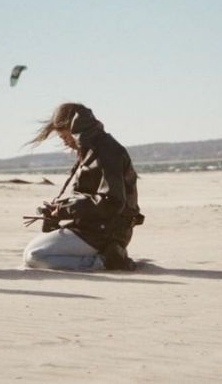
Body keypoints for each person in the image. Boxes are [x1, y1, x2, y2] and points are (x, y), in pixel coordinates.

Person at [23, 103, 144, 271]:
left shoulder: (107, 151)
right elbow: (90, 196)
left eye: (63, 135)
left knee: (35, 256)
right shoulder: (94, 149)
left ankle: (105, 262)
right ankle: (109, 255)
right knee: (33, 252)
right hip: (94, 228)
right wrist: (58, 208)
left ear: (73, 128)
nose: (64, 141)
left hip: (105, 232)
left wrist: (65, 209)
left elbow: (112, 201)